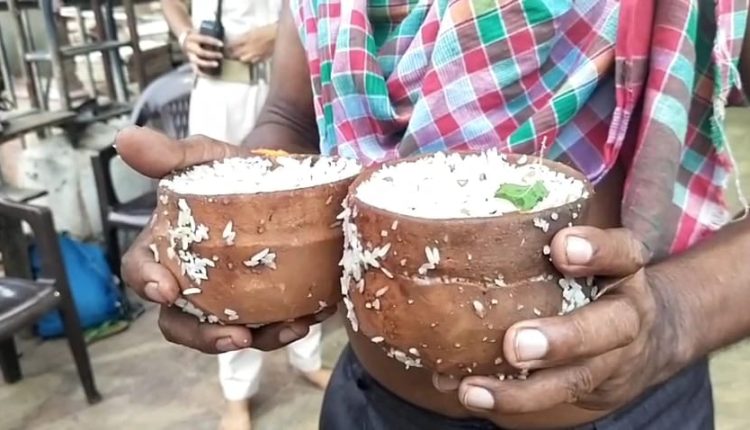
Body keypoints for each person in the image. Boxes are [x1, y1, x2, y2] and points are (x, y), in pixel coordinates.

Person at [118, 0, 750, 428]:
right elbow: (292, 114)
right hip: (373, 401)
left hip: (628, 410)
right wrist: (237, 206)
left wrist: (672, 317)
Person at [159, 1, 331, 429]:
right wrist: (185, 34)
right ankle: (237, 392)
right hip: (222, 93)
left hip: (286, 82)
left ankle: (307, 358)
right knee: (226, 249)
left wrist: (279, 32)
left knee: (300, 228)